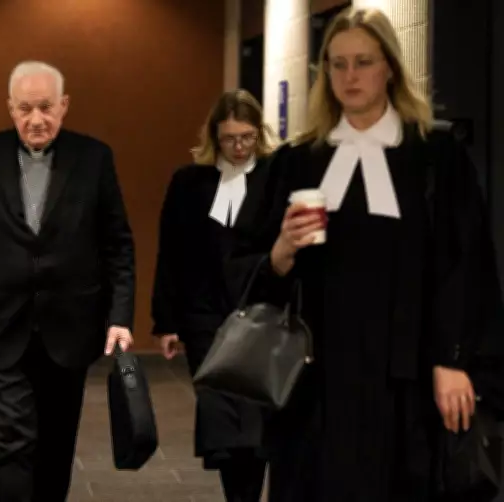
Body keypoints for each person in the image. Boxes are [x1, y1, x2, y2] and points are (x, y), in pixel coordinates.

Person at [235, 7, 493, 502]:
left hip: (408, 378)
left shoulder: (435, 157)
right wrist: (281, 251)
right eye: (338, 64)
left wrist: (453, 360)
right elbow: (247, 267)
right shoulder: (297, 162)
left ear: (389, 67)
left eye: (363, 62)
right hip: (315, 381)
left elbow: (465, 267)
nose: (349, 76)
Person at [0, 60, 136, 502]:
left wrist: (120, 316)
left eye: (46, 107)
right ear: (10, 108)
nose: (36, 119)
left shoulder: (93, 158)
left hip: (71, 325)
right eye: (25, 109)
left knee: (56, 443)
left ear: (64, 106)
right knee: (13, 433)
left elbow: (117, 243)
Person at [151, 89, 273, 502]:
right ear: (214, 138)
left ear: (259, 133)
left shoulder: (274, 177)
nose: (238, 147)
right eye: (229, 139)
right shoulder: (189, 183)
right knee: (221, 418)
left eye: (246, 137)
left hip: (261, 316)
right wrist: (166, 321)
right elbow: (171, 253)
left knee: (255, 421)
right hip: (205, 318)